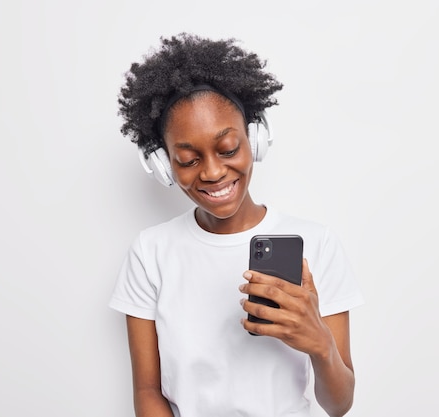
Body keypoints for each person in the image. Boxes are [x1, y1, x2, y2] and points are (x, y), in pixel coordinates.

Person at [109, 33, 364, 417]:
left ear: (256, 139)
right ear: (162, 165)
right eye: (188, 159)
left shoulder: (318, 243)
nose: (212, 172)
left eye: (228, 149)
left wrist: (320, 343)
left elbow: (339, 404)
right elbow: (148, 391)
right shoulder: (151, 251)